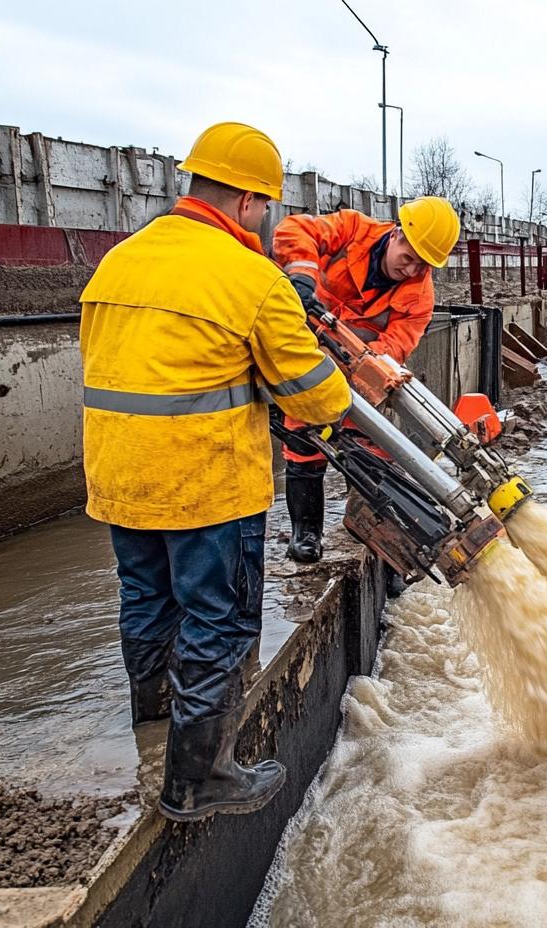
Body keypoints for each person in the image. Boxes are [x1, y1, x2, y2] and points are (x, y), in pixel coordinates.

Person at [79, 122, 351, 822]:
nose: (265, 221)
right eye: (265, 207)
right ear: (247, 202)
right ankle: (198, 780)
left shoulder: (120, 262)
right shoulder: (249, 277)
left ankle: (155, 721)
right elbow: (317, 395)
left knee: (147, 599)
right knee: (221, 622)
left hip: (120, 476)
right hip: (204, 485)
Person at [271, 197, 460, 563]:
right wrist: (302, 278)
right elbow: (294, 229)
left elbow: (395, 347)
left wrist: (354, 368)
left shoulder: (420, 297)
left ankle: (376, 534)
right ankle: (306, 533)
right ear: (397, 234)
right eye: (409, 257)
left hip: (350, 372)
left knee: (372, 447)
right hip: (295, 349)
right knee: (301, 438)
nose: (412, 269)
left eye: (423, 265)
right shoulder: (351, 230)